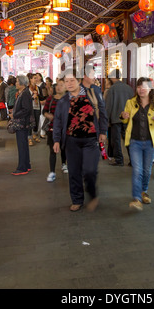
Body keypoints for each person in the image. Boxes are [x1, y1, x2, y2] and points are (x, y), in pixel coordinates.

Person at [53, 68, 108, 212]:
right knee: (74, 172)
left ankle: (93, 194)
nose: (69, 84)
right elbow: (58, 121)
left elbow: (102, 111)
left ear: (79, 80)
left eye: (72, 80)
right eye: (66, 81)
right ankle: (77, 199)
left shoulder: (93, 93)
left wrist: (103, 131)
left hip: (91, 140)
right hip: (72, 141)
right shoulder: (63, 101)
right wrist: (56, 140)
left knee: (90, 171)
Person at [121, 77, 154, 211]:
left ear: (150, 88)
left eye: (144, 86)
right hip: (135, 142)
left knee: (147, 170)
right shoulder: (130, 102)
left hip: (151, 142)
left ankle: (143, 191)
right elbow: (124, 120)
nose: (141, 89)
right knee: (137, 170)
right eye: (139, 87)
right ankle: (136, 198)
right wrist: (123, 116)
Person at [105, 69, 134, 166]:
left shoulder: (112, 89)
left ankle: (119, 160)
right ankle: (132, 160)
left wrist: (107, 120)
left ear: (113, 77)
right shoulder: (129, 88)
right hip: (127, 118)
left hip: (115, 118)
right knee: (128, 139)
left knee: (116, 140)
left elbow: (108, 106)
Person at [43, 78, 67, 182]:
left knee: (64, 148)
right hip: (52, 128)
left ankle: (63, 163)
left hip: (65, 129)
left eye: (61, 85)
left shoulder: (69, 99)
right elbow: (44, 111)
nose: (58, 87)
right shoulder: (50, 99)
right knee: (53, 150)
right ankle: (52, 172)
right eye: (57, 85)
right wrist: (49, 116)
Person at [10, 75, 33, 175]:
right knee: (23, 145)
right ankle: (26, 165)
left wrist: (14, 114)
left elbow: (26, 109)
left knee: (22, 145)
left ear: (22, 83)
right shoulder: (23, 93)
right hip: (23, 123)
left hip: (22, 123)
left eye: (17, 81)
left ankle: (22, 167)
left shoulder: (25, 94)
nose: (15, 83)